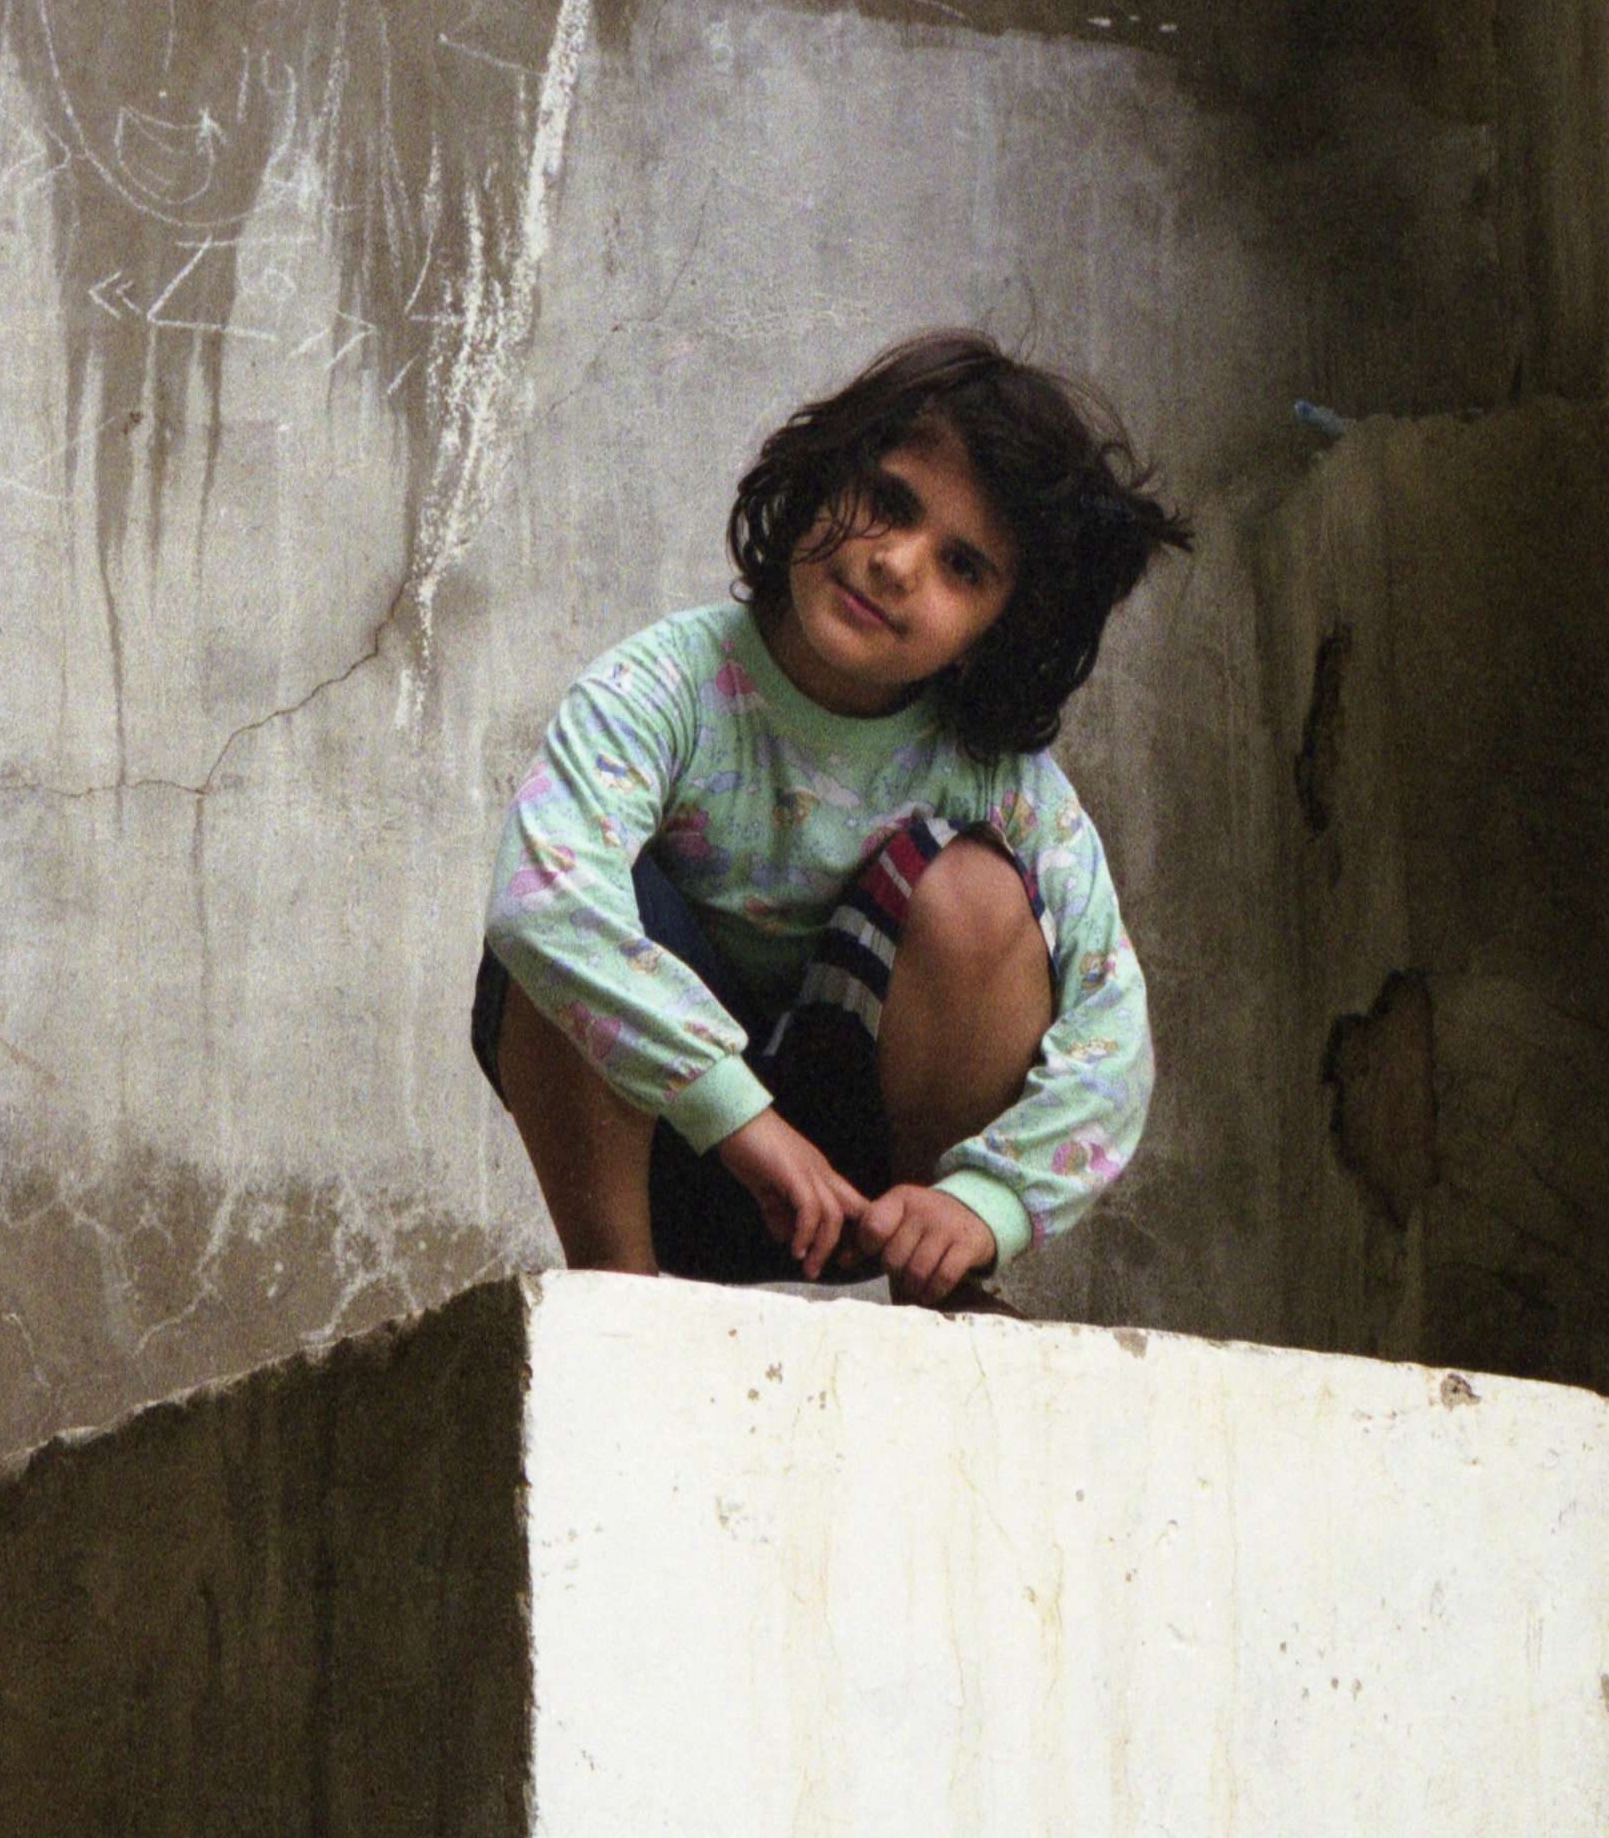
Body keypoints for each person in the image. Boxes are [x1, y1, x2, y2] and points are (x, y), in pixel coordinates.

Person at [471, 329, 1192, 1302]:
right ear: (824, 476)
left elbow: (1115, 1033)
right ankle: (618, 1301)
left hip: (866, 1195)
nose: (896, 563)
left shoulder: (998, 781)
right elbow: (537, 906)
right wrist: (736, 1116)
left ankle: (939, 1288)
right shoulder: (667, 685)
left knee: (977, 889)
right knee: (574, 900)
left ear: (995, 633)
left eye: (962, 567)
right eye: (887, 504)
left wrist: (992, 1200)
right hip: (670, 1155)